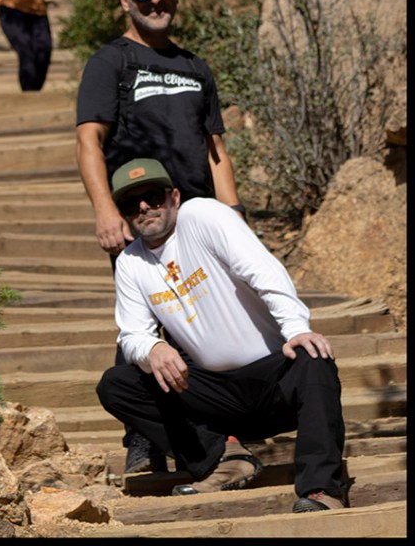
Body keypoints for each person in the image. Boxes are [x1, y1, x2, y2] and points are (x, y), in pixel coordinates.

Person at [97, 157, 348, 512]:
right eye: (130, 203)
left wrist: (295, 328)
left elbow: (262, 270)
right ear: (123, 213)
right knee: (117, 383)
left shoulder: (203, 216)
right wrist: (152, 347)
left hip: (276, 382)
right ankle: (223, 457)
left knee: (313, 355)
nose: (143, 207)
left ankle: (321, 490)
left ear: (174, 197)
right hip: (217, 398)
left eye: (153, 196)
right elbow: (132, 333)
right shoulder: (130, 263)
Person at [76, 0, 243, 474]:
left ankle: (220, 435)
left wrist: (233, 216)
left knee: (207, 328)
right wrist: (106, 210)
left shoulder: (196, 67)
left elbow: (216, 149)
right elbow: (88, 141)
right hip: (140, 220)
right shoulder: (111, 62)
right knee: (143, 332)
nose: (155, 1)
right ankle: (145, 440)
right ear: (125, 0)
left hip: (196, 220)